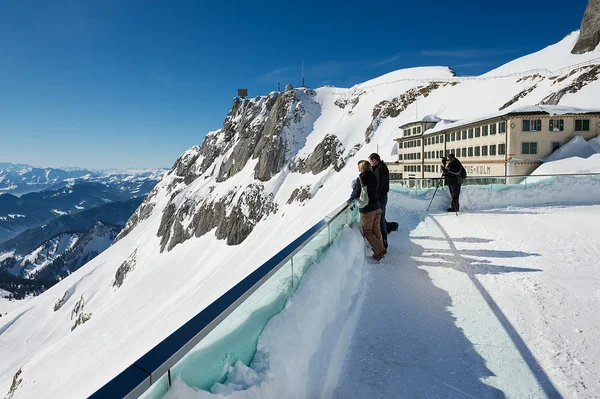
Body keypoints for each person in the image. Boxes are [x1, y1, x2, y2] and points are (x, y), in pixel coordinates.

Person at [350, 160, 386, 261]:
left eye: (359, 168)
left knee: (367, 232)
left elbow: (357, 193)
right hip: (377, 206)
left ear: (361, 168)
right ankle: (380, 252)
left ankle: (380, 250)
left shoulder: (361, 178)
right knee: (376, 229)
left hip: (367, 208)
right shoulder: (374, 176)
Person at [368, 153, 390, 249]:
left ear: (374, 160)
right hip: (382, 196)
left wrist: (373, 197)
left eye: (370, 161)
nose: (370, 163)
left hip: (380, 197)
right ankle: (383, 238)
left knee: (380, 219)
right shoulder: (380, 167)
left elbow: (378, 186)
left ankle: (383, 241)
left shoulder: (380, 170)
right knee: (381, 217)